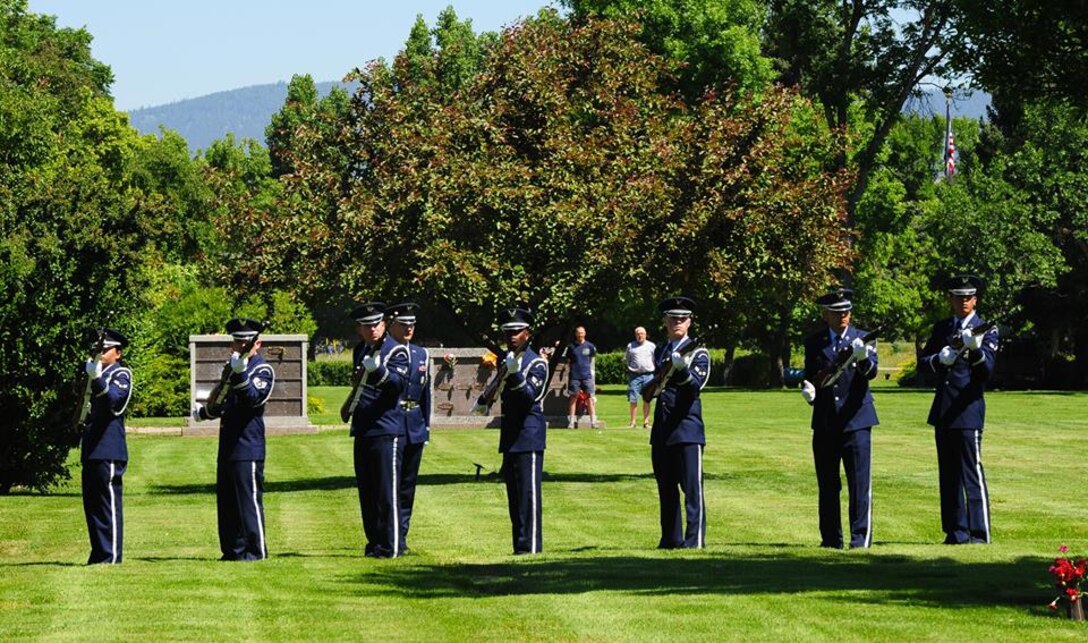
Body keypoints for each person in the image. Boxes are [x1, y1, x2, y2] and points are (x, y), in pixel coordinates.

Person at [918, 274, 998, 545]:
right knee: (948, 475)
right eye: (958, 297)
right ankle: (956, 531)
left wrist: (975, 351)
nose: (963, 301)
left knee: (971, 473)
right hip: (944, 409)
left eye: (968, 297)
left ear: (975, 300)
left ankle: (979, 532)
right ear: (950, 299)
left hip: (968, 410)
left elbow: (986, 372)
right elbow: (923, 364)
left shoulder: (985, 329)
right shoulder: (942, 329)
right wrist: (939, 360)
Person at [800, 288, 879, 549]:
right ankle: (831, 539)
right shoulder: (815, 342)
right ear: (826, 315)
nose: (843, 316)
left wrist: (863, 356)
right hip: (825, 421)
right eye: (837, 312)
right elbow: (812, 375)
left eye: (846, 311)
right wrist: (809, 391)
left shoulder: (863, 338)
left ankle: (860, 538)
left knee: (859, 483)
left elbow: (871, 373)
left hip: (856, 419)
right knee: (828, 484)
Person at [193, 318, 275, 561]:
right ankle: (233, 551)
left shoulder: (262, 369)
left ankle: (256, 551)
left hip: (248, 444)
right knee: (227, 502)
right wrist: (206, 412)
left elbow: (253, 398)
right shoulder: (231, 367)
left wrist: (239, 375)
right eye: (236, 341)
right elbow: (223, 401)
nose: (239, 345)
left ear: (256, 343)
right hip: (228, 443)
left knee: (248, 501)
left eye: (244, 342)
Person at [473, 306, 549, 555]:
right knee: (515, 498)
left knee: (528, 496)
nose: (512, 337)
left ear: (528, 333)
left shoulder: (536, 362)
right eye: (508, 333)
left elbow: (530, 397)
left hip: (528, 435)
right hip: (511, 435)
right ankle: (520, 546)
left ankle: (532, 547)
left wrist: (515, 376)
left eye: (517, 332)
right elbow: (494, 392)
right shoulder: (508, 361)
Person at [344, 302, 410, 558]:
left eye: (376, 324)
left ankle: (390, 545)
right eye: (366, 326)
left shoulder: (396, 351)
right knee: (368, 492)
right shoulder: (361, 349)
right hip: (363, 427)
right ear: (359, 329)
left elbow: (397, 385)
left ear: (384, 324)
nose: (372, 330)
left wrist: (379, 371)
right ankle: (374, 543)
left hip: (386, 428)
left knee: (386, 492)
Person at [649, 297, 711, 549]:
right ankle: (670, 539)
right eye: (673, 318)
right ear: (665, 321)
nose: (677, 322)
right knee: (666, 487)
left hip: (687, 428)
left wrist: (683, 370)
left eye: (682, 318)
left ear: (690, 322)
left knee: (691, 489)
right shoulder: (660, 350)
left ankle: (694, 539)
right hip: (663, 428)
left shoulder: (699, 352)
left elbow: (695, 386)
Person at [79, 328, 133, 565]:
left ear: (118, 353)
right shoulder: (94, 375)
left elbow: (114, 402)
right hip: (91, 448)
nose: (99, 353)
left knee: (107, 505)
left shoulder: (121, 374)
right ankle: (99, 553)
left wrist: (97, 377)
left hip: (109, 448)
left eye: (104, 349)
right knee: (93, 507)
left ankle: (110, 555)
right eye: (97, 349)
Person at [387, 302, 431, 554]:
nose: (408, 329)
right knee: (391, 483)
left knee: (408, 485)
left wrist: (425, 427)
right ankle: (392, 536)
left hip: (414, 424)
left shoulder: (420, 354)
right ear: (392, 325)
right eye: (403, 324)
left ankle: (402, 534)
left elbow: (424, 394)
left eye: (412, 324)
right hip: (393, 422)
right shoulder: (386, 351)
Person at [565, 326, 597, 428]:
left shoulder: (590, 346)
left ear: (585, 333)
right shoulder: (571, 347)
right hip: (575, 376)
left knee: (589, 398)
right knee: (573, 398)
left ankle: (593, 422)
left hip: (586, 376)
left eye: (582, 333)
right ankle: (571, 422)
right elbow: (569, 361)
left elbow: (591, 359)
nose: (580, 335)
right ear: (575, 334)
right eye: (578, 333)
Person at [625, 326, 656, 429]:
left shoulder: (651, 346)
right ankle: (633, 422)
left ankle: (646, 422)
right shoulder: (630, 346)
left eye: (642, 333)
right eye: (638, 334)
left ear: (645, 334)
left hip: (649, 375)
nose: (640, 336)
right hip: (635, 376)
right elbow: (627, 359)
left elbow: (655, 359)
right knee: (633, 399)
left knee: (647, 399)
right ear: (635, 335)